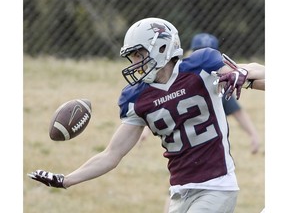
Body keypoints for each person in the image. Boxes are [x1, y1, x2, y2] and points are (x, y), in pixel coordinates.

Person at [28, 17, 264, 213]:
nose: (135, 63)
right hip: (179, 192)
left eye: (139, 55)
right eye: (132, 57)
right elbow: (112, 154)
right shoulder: (137, 97)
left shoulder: (200, 66)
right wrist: (67, 180)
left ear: (162, 47)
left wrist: (241, 73)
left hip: (217, 185)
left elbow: (260, 72)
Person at [139, 33, 261, 154]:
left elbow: (236, 111)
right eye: (198, 52)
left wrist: (253, 135)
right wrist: (145, 129)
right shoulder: (175, 78)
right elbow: (157, 106)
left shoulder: (217, 80)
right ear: (189, 53)